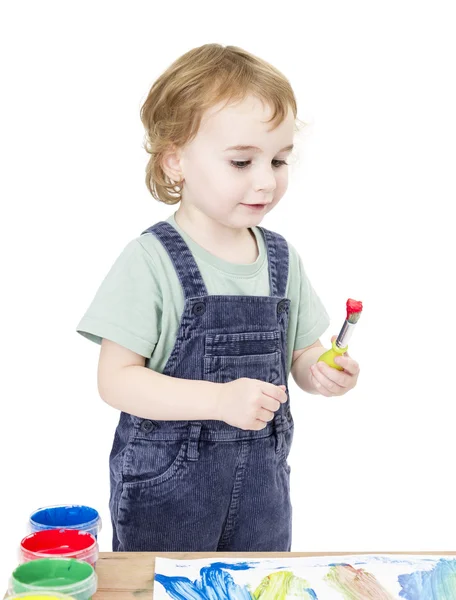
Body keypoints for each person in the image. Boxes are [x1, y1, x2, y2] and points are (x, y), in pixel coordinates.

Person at [76, 43, 360, 552]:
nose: (266, 180)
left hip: (263, 496)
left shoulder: (280, 259)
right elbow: (115, 381)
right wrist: (218, 401)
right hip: (166, 496)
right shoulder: (150, 261)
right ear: (175, 160)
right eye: (241, 161)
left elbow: (301, 352)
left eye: (278, 160)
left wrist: (320, 369)